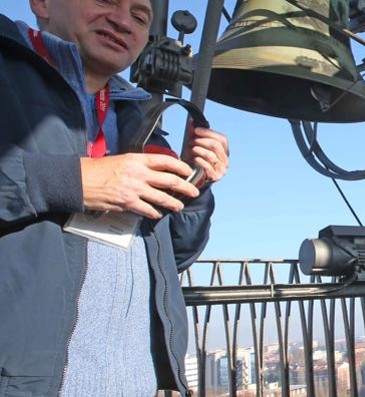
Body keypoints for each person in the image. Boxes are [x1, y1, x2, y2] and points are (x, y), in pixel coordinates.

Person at [0, 0, 229, 395]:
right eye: (105, 0)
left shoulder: (137, 116)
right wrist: (72, 182)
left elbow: (170, 257)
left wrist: (193, 189)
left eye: (140, 17)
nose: (123, 20)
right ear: (41, 3)